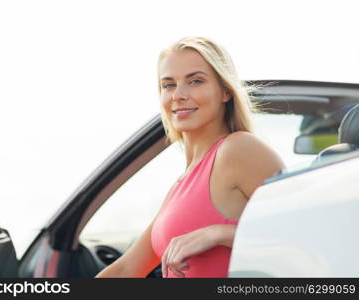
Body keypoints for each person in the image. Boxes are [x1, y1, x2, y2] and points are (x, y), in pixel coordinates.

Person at [96, 36, 285, 278]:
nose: (178, 95)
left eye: (195, 81)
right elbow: (127, 270)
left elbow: (305, 238)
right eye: (168, 85)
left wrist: (218, 234)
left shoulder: (238, 150)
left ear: (225, 91)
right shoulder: (181, 184)